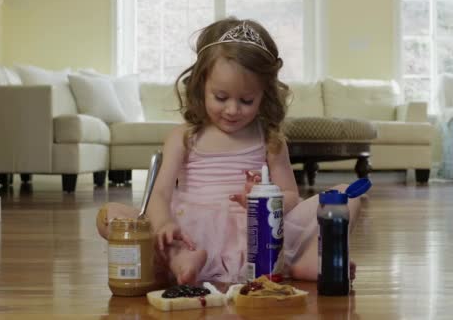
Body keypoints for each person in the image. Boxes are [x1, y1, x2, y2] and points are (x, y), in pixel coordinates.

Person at [96, 17, 363, 285]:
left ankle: (304, 259)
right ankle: (182, 259)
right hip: (193, 232)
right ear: (201, 87)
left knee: (346, 196)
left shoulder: (269, 139)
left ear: (264, 94)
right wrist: (165, 224)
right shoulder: (184, 137)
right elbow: (161, 193)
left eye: (247, 100)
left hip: (259, 234)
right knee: (110, 214)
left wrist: (265, 202)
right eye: (221, 98)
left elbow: (291, 195)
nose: (233, 110)